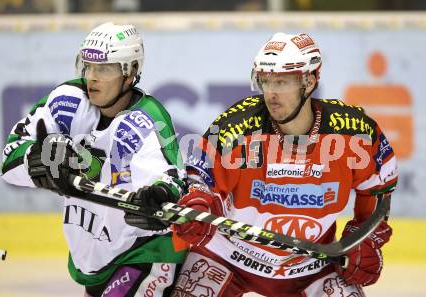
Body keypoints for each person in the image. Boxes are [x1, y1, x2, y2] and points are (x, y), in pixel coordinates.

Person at [170, 32, 397, 296]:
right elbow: (201, 185)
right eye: (265, 82)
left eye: (281, 82)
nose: (271, 93)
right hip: (227, 255)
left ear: (309, 81)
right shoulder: (237, 128)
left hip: (310, 263)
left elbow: (380, 189)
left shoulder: (353, 131)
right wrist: (197, 206)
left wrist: (365, 238)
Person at [1, 22, 187, 297]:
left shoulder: (145, 120)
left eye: (104, 68)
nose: (92, 77)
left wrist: (158, 198)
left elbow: (169, 179)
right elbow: (9, 160)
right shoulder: (67, 101)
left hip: (144, 253)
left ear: (130, 72)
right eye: (88, 66)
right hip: (95, 260)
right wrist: (35, 159)